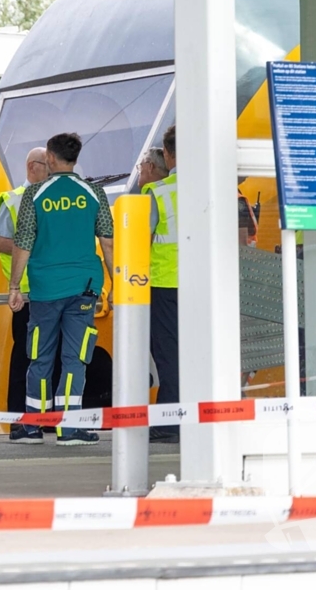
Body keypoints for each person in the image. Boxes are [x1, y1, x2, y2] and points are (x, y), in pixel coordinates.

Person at [7, 133, 114, 446]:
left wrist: (14, 285)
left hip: (45, 290)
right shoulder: (93, 193)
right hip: (84, 288)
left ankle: (33, 428)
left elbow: (23, 241)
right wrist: (117, 284)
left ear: (50, 159)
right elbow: (107, 240)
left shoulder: (36, 195)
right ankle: (69, 428)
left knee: (39, 356)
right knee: (75, 358)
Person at [0, 148, 50, 419]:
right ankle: (18, 416)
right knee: (25, 356)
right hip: (25, 295)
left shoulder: (51, 198)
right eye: (49, 166)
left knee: (49, 355)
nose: (53, 172)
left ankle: (44, 416)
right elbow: (1, 242)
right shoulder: (13, 200)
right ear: (32, 167)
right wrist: (34, 246)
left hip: (50, 290)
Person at [142, 125, 179, 444]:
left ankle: (170, 422)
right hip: (206, 285)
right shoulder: (212, 187)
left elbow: (142, 240)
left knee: (168, 355)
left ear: (167, 155)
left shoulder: (158, 192)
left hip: (166, 284)